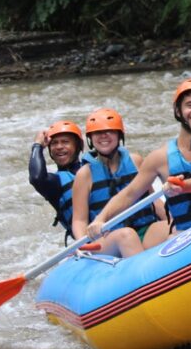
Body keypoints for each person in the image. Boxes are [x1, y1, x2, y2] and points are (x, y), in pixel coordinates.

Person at [85, 77, 191, 241]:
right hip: (189, 237)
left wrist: (182, 186)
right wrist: (101, 218)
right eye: (190, 105)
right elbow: (129, 194)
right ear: (178, 111)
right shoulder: (159, 158)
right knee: (171, 238)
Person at [69, 108, 166, 258]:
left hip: (143, 230)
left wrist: (173, 219)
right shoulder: (85, 174)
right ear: (90, 138)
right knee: (126, 236)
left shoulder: (135, 161)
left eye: (110, 131)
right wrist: (84, 245)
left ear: (119, 135)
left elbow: (153, 200)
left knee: (173, 227)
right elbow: (79, 220)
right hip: (109, 239)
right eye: (97, 133)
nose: (103, 136)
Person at [28, 120, 85, 241]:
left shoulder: (95, 168)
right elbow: (36, 177)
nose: (59, 147)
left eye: (65, 142)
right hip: (88, 242)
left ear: (79, 146)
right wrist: (37, 146)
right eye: (54, 143)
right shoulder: (55, 183)